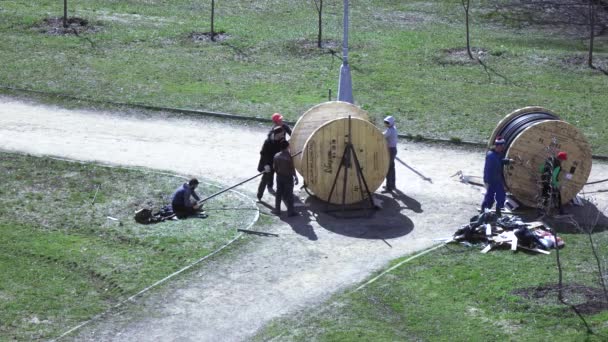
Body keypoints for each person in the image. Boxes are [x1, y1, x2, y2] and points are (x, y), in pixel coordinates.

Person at [481, 136, 512, 216]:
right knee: (490, 197)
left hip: (497, 179)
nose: (503, 148)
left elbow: (500, 161)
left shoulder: (497, 154)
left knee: (501, 196)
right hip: (491, 180)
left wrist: (508, 161)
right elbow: (489, 170)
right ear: (498, 146)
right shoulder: (491, 156)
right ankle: (484, 211)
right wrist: (488, 182)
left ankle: (498, 210)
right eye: (502, 146)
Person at [257, 125, 286, 200]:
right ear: (277, 134)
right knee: (265, 179)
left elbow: (284, 149)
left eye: (283, 134)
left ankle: (282, 194)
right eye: (281, 134)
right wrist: (266, 165)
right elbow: (263, 153)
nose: (283, 135)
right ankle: (259, 196)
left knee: (282, 178)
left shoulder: (282, 139)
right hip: (268, 162)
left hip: (277, 162)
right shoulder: (268, 142)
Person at [272, 140, 299, 217]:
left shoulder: (276, 156)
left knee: (278, 193)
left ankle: (277, 210)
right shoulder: (288, 157)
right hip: (288, 178)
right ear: (287, 147)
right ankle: (290, 212)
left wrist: (279, 173)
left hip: (279, 177)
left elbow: (275, 168)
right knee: (289, 195)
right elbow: (292, 168)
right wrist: (295, 177)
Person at [539, 151, 568, 216]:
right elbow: (554, 176)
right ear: (561, 159)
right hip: (550, 183)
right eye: (563, 160)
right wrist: (557, 185)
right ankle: (561, 212)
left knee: (544, 196)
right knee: (558, 197)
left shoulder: (549, 160)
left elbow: (541, 169)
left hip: (544, 181)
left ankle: (542, 212)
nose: (563, 161)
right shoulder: (558, 165)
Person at [382, 116, 398, 193]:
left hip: (390, 150)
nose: (385, 124)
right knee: (392, 168)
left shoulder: (389, 130)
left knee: (388, 169)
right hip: (393, 150)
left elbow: (382, 136)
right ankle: (392, 185)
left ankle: (389, 188)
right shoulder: (394, 128)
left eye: (386, 122)